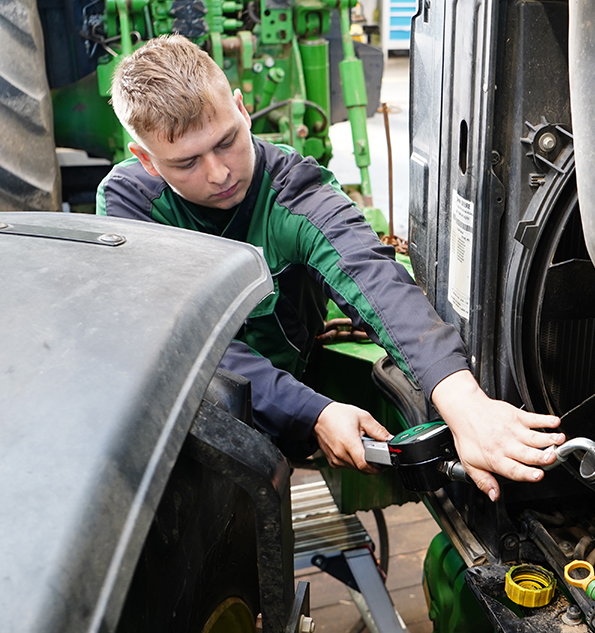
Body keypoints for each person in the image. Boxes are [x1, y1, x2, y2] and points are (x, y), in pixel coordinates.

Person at [97, 34, 563, 501]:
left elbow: (371, 275)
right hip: (194, 411)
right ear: (147, 162)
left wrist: (464, 403)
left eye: (227, 142)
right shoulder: (129, 205)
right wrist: (314, 412)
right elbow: (184, 341)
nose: (219, 173)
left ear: (241, 109)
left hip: (288, 386)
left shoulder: (292, 190)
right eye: (188, 163)